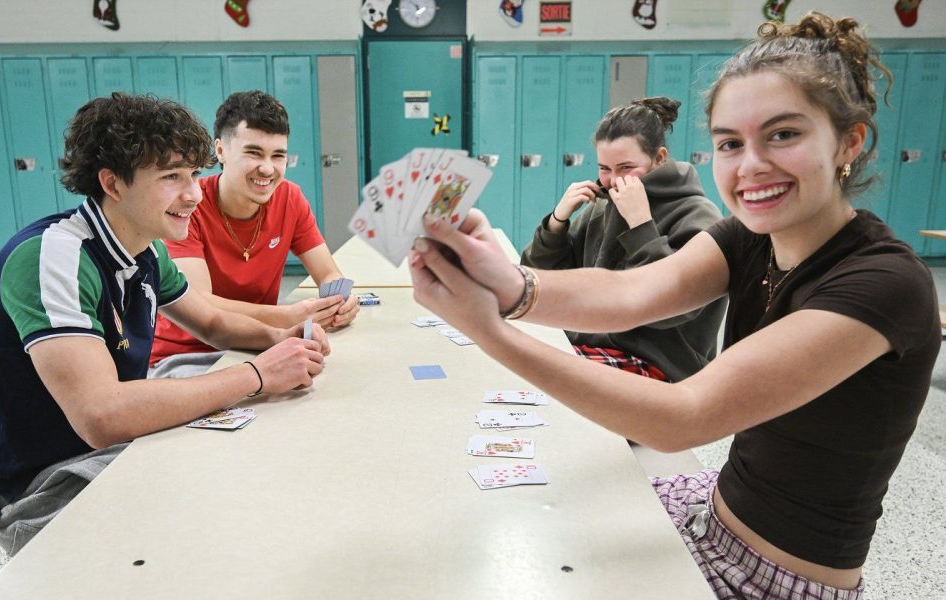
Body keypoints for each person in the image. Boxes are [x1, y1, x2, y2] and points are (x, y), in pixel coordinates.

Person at [409, 12, 939, 599]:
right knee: (522, 533)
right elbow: (632, 293)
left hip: (779, 579)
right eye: (730, 144)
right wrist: (509, 282)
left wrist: (494, 332)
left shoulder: (884, 282)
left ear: (849, 141)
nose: (751, 165)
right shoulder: (750, 236)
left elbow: (686, 416)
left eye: (783, 134)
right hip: (713, 510)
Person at [0, 93, 330, 556]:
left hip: (104, 448)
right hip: (36, 486)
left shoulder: (144, 251)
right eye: (171, 177)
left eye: (193, 175)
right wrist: (256, 374)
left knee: (255, 459)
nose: (193, 193)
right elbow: (102, 415)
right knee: (229, 514)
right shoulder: (54, 256)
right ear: (112, 183)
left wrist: (279, 338)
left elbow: (210, 321)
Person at [149, 90, 358, 378]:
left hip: (256, 345)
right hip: (188, 356)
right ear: (220, 151)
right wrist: (287, 316)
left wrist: (340, 301)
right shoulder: (188, 207)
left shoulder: (289, 198)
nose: (267, 168)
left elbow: (328, 273)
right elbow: (201, 303)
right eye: (254, 153)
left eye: (278, 156)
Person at [521, 97, 724, 382]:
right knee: (512, 359)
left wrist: (641, 224)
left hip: (659, 366)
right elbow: (542, 282)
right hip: (589, 347)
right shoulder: (601, 208)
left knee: (546, 376)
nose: (613, 180)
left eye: (626, 168)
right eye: (605, 168)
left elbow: (669, 307)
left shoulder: (698, 215)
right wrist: (556, 224)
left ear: (660, 158)